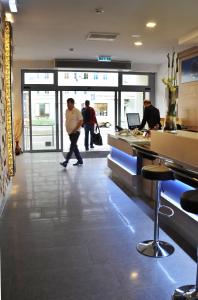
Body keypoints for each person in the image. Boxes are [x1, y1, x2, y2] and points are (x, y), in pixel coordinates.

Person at [60, 98, 83, 168]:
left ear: (72, 104)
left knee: (72, 147)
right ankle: (80, 160)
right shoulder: (67, 111)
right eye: (67, 103)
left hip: (76, 132)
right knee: (74, 147)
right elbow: (67, 120)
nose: (67, 105)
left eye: (69, 103)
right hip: (70, 132)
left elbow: (81, 121)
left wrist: (75, 129)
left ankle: (66, 161)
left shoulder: (77, 111)